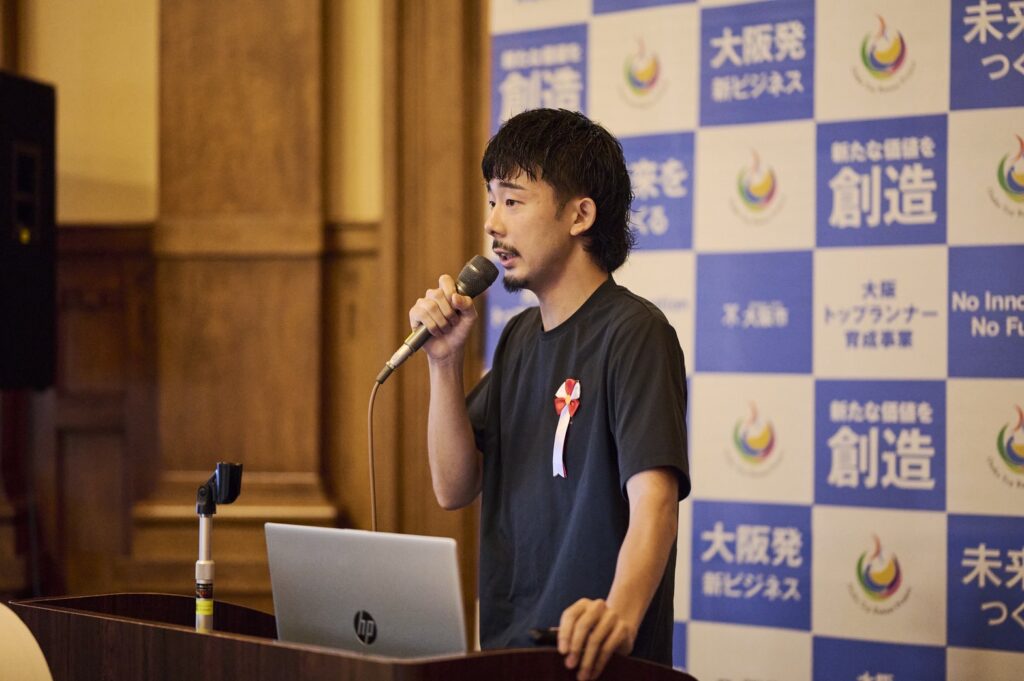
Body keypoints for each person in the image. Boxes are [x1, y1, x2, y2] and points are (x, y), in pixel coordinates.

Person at [408, 108, 690, 680]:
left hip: (596, 659)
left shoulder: (634, 332)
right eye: (491, 200)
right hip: (509, 655)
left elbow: (655, 502)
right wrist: (443, 363)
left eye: (513, 201)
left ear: (580, 215)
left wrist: (619, 615)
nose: (492, 223)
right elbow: (453, 487)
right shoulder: (518, 338)